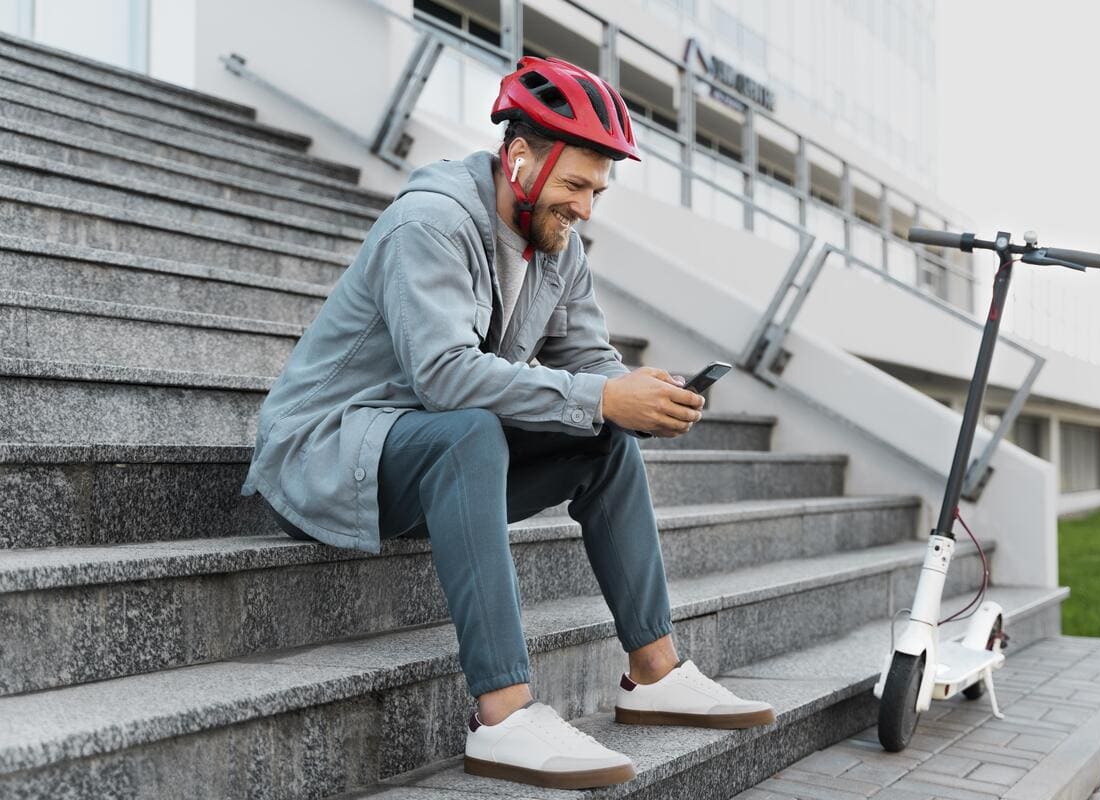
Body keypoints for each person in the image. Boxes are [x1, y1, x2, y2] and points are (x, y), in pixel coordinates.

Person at [240, 55, 774, 790]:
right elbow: (444, 374)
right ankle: (503, 715)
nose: (586, 206)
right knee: (472, 430)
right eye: (576, 185)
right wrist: (598, 395)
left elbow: (587, 356)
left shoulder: (559, 242)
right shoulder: (428, 223)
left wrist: (638, 395)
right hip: (324, 459)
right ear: (519, 159)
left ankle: (654, 672)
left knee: (604, 436)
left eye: (597, 190)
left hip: (421, 459)